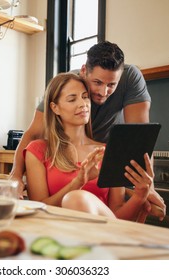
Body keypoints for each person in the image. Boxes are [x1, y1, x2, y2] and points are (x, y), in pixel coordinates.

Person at [11, 41, 162, 208]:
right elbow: (33, 133)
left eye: (111, 85)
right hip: (66, 153)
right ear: (84, 71)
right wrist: (15, 175)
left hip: (104, 157)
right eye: (97, 82)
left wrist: (149, 189)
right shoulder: (67, 85)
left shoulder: (130, 77)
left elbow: (139, 137)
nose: (103, 92)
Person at [23, 72, 158, 222]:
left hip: (104, 233)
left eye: (85, 96)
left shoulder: (109, 151)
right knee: (76, 197)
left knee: (76, 198)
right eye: (72, 99)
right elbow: (39, 207)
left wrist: (140, 196)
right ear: (55, 108)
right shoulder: (37, 150)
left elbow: (117, 216)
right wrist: (78, 183)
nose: (83, 104)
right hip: (55, 231)